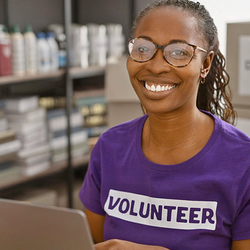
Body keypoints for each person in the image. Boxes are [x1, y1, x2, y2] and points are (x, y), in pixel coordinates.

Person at [79, 0, 250, 249]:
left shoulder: (243, 162)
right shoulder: (109, 147)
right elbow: (92, 242)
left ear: (205, 64)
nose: (156, 66)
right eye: (143, 48)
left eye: (179, 52)